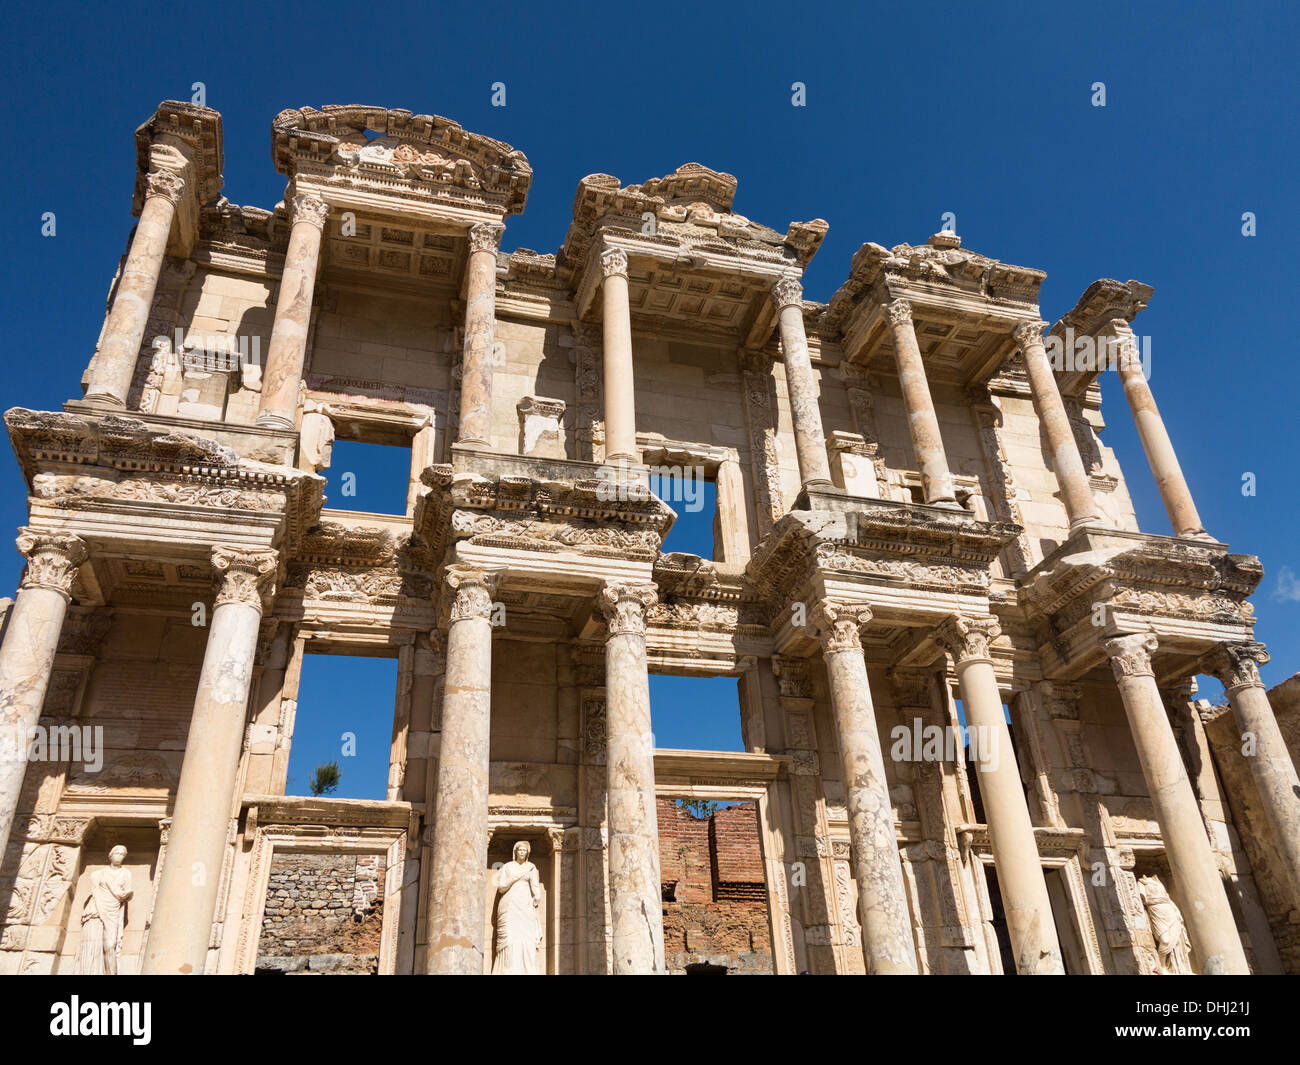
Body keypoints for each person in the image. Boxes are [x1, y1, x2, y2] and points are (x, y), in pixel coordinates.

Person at [75, 845, 133, 975]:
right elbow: (95, 891)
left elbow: (127, 892)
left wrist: (125, 895)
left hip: (113, 909)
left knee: (110, 945)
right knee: (92, 943)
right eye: (117, 853)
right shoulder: (98, 874)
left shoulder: (126, 873)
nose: (119, 856)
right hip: (96, 910)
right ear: (110, 855)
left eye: (122, 854)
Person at [492, 841, 541, 974]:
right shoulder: (507, 867)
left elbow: (535, 886)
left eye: (524, 850)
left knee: (526, 936)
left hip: (525, 904)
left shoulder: (531, 867)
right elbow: (501, 888)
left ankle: (527, 969)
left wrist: (537, 896)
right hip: (509, 904)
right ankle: (506, 969)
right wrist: (512, 879)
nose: (521, 852)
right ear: (515, 851)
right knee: (510, 935)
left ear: (527, 853)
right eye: (519, 850)